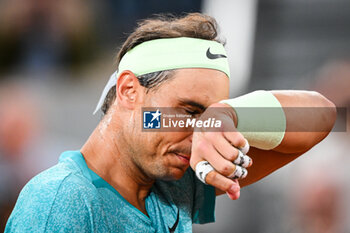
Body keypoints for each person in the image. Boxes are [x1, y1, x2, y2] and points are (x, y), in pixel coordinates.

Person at [5, 13, 336, 232]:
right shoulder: (60, 202)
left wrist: (230, 116)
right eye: (190, 111)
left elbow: (322, 115)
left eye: (208, 116)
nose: (200, 133)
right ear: (129, 90)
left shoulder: (170, 180)